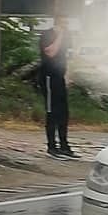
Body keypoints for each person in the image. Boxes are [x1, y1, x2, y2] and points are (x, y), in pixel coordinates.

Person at [38, 15, 78, 158]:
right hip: (48, 76)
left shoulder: (68, 36)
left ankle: (64, 145)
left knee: (63, 112)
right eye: (64, 22)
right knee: (52, 112)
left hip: (60, 76)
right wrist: (60, 35)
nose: (66, 25)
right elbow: (51, 52)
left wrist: (69, 75)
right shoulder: (47, 34)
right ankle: (51, 146)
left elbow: (70, 56)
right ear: (57, 22)